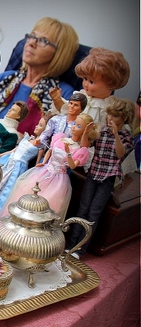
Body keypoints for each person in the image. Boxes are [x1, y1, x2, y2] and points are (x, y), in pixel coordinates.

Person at [66, 97, 135, 259]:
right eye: (110, 114)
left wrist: (116, 134)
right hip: (93, 172)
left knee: (94, 213)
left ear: (124, 118)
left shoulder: (126, 136)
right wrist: (86, 132)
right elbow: (86, 145)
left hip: (108, 177)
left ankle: (80, 249)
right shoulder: (101, 131)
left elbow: (120, 154)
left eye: (115, 116)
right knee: (83, 208)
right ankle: (70, 245)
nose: (111, 118)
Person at [0, 17, 79, 136]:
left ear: (60, 53)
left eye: (43, 41)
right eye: (32, 36)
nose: (31, 43)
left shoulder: (64, 94)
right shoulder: (5, 78)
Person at [0, 113, 98, 222]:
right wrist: (44, 162)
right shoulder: (60, 138)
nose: (74, 127)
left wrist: (69, 153)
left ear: (84, 131)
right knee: (25, 192)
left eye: (79, 126)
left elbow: (72, 166)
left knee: (47, 203)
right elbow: (50, 151)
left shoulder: (80, 150)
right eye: (74, 124)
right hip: (45, 170)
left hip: (58, 180)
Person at [0, 111, 52, 218]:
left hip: (17, 168)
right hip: (7, 160)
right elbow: (12, 151)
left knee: (3, 190)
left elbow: (37, 164)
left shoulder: (41, 146)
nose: (36, 126)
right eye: (38, 124)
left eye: (40, 125)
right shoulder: (28, 138)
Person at [49, 47, 130, 128]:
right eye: (85, 78)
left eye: (91, 81)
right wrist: (57, 100)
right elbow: (67, 111)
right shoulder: (81, 96)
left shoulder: (109, 107)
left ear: (111, 83)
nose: (85, 84)